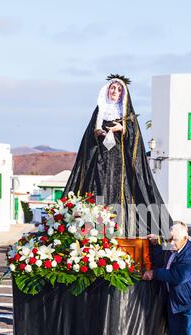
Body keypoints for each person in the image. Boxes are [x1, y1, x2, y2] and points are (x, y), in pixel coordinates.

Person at [63, 74, 171, 238]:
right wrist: (97, 132)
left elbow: (136, 142)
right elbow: (87, 141)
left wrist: (123, 129)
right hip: (100, 162)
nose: (115, 91)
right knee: (97, 191)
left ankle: (121, 229)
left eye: (119, 89)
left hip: (121, 164)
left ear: (123, 94)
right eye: (112, 88)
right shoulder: (99, 112)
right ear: (107, 90)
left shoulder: (128, 116)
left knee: (121, 194)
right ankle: (94, 227)